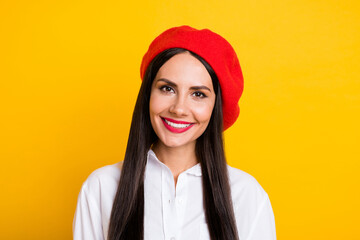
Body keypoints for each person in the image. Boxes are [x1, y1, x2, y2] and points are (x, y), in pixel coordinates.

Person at [73, 25, 276, 240]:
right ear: (148, 94)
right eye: (167, 88)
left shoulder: (246, 195)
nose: (179, 108)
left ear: (215, 106)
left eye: (198, 94)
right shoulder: (101, 187)